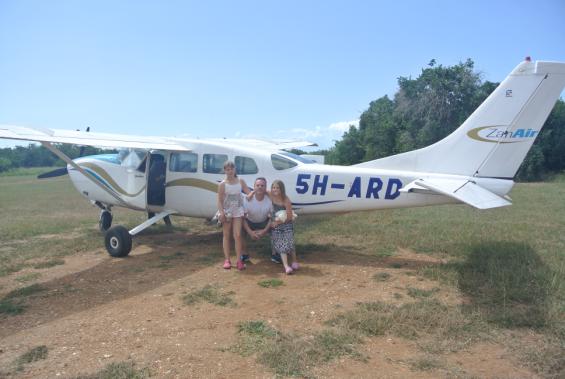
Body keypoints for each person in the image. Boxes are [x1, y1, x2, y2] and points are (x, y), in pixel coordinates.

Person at [217, 161, 250, 270]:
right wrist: (221, 213)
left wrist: (259, 191)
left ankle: (239, 261)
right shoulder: (222, 184)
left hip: (238, 211)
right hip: (227, 212)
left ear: (235, 169)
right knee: (226, 235)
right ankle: (227, 260)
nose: (230, 171)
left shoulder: (240, 181)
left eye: (231, 169)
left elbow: (248, 193)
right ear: (225, 171)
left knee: (238, 235)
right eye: (227, 169)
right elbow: (219, 200)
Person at [241, 177, 281, 263]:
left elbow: (272, 218)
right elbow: (243, 218)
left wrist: (264, 231)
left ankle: (276, 254)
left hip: (264, 222)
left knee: (276, 226)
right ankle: (244, 254)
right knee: (239, 228)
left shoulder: (270, 200)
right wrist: (250, 232)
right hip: (250, 221)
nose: (260, 187)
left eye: (262, 185)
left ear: (265, 188)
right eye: (257, 185)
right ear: (254, 187)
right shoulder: (247, 199)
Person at [269, 180, 299, 274]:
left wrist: (278, 222)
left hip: (286, 223)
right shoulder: (271, 195)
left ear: (282, 189)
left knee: (290, 242)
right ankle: (286, 266)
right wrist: (251, 193)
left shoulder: (286, 200)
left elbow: (289, 217)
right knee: (282, 244)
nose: (275, 189)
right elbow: (260, 190)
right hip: (276, 224)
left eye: (277, 187)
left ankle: (294, 260)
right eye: (273, 187)